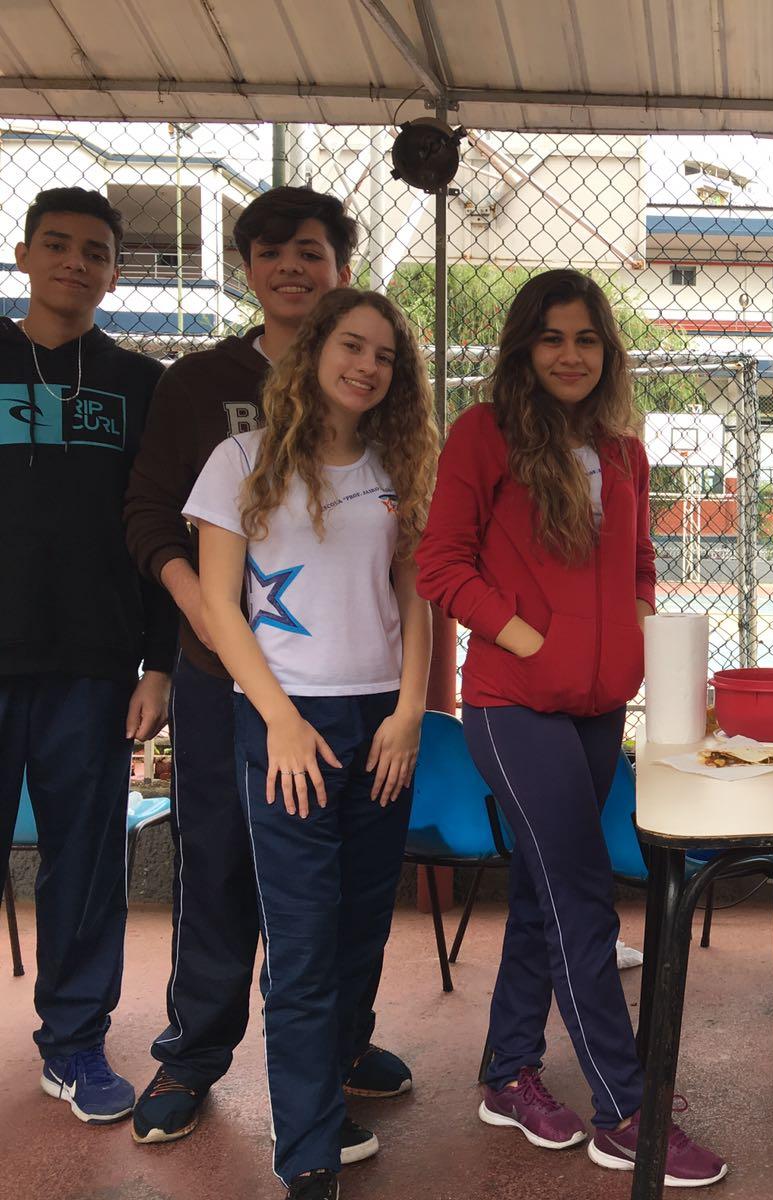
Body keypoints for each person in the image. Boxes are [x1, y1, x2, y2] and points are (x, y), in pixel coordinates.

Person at [415, 269, 726, 1188]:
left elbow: (639, 560)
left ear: (607, 350)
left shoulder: (620, 449)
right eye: (552, 338)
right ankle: (626, 1110)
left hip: (597, 710)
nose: (570, 355)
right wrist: (526, 637)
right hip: (513, 707)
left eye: (587, 339)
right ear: (524, 347)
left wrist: (635, 636)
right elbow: (441, 561)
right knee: (584, 895)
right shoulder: (484, 435)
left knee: (543, 895)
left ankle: (508, 1072)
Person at [125, 186, 413, 1144]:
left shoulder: (389, 440)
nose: (293, 265)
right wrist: (204, 623)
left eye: (314, 251)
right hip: (233, 682)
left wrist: (412, 703)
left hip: (353, 691)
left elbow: (412, 585)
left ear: (338, 276)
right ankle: (195, 1055)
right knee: (221, 873)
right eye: (273, 250)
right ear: (249, 266)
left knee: (351, 897)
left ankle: (336, 1049)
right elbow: (153, 519)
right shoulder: (201, 387)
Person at [183, 289, 437, 1199]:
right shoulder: (239, 460)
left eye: (384, 355)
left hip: (381, 722)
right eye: (351, 345)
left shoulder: (396, 463)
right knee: (300, 939)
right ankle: (308, 1153)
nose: (367, 365)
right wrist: (280, 718)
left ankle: (329, 1086)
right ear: (312, 351)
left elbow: (417, 599)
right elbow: (221, 605)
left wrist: (410, 711)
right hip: (286, 721)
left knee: (362, 922)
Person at [0, 187, 174, 1124]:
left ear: (114, 271)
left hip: (96, 666)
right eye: (57, 246)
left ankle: (72, 1045)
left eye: (95, 251)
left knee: (84, 862)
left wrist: (160, 661)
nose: (75, 262)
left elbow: (156, 531)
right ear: (24, 255)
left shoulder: (139, 382)